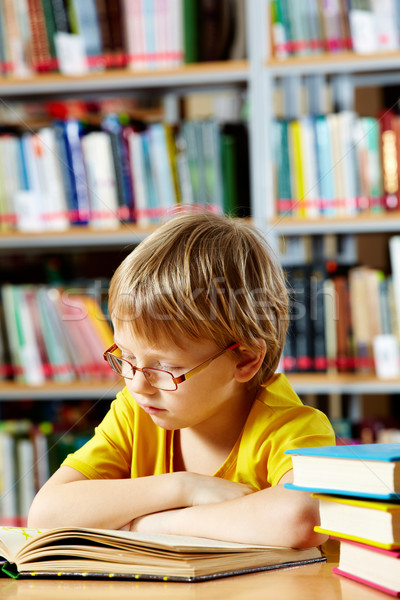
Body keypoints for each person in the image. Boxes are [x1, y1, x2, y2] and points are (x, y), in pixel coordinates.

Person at [28, 211, 335, 548]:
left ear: (245, 359)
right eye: (127, 357)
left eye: (165, 368)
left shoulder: (291, 428)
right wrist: (184, 487)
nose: (136, 384)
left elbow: (301, 520)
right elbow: (46, 514)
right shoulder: (134, 413)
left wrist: (155, 525)